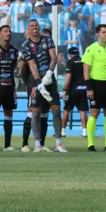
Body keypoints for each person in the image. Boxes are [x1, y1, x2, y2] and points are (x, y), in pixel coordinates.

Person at [20, 20, 64, 153]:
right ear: (28, 29)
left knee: (56, 109)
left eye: (36, 26)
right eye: (32, 26)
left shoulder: (47, 40)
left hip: (50, 79)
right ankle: (37, 144)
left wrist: (49, 74)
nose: (34, 28)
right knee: (36, 112)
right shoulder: (26, 45)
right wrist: (39, 84)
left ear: (39, 28)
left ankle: (58, 143)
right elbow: (32, 66)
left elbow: (53, 57)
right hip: (35, 82)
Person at [82, 24, 106, 152]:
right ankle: (90, 144)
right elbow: (86, 69)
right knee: (94, 113)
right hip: (95, 84)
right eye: (103, 32)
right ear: (97, 34)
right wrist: (89, 87)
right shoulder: (91, 49)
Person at [61, 46, 89, 139]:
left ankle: (63, 131)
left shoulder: (70, 62)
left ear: (70, 54)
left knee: (67, 110)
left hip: (72, 90)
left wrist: (65, 89)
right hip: (83, 88)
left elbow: (68, 77)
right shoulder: (83, 61)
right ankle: (84, 132)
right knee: (82, 111)